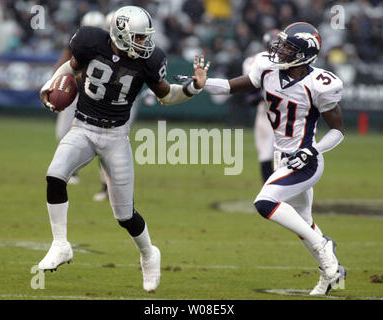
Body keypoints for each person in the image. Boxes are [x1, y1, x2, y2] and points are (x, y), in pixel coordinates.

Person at [38, 5, 210, 292]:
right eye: (139, 38)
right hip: (83, 127)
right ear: (120, 33)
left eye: (145, 38)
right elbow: (71, 67)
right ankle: (60, 244)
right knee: (55, 175)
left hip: (116, 136)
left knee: (124, 214)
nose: (144, 44)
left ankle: (148, 253)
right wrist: (51, 83)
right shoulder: (90, 40)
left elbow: (166, 96)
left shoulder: (149, 60)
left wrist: (193, 87)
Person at [203, 22, 346, 296]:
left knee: (265, 202)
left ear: (304, 54)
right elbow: (231, 87)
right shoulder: (267, 67)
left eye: (288, 47)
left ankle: (325, 247)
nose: (279, 50)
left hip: (305, 160)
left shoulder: (319, 84)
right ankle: (333, 276)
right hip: (282, 155)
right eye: (281, 44)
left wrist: (312, 150)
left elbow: (338, 131)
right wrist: (201, 83)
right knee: (304, 222)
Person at [54, 11, 106, 185]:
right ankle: (71, 170)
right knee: (63, 132)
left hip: (96, 97)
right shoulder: (78, 41)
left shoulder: (109, 45)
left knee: (102, 138)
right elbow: (65, 61)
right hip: (76, 90)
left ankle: (106, 182)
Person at [242, 29, 279, 183]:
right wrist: (264, 94)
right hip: (266, 112)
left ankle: (283, 193)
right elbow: (250, 97)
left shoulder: (293, 62)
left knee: (286, 155)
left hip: (287, 112)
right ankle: (270, 193)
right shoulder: (256, 61)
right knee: (265, 153)